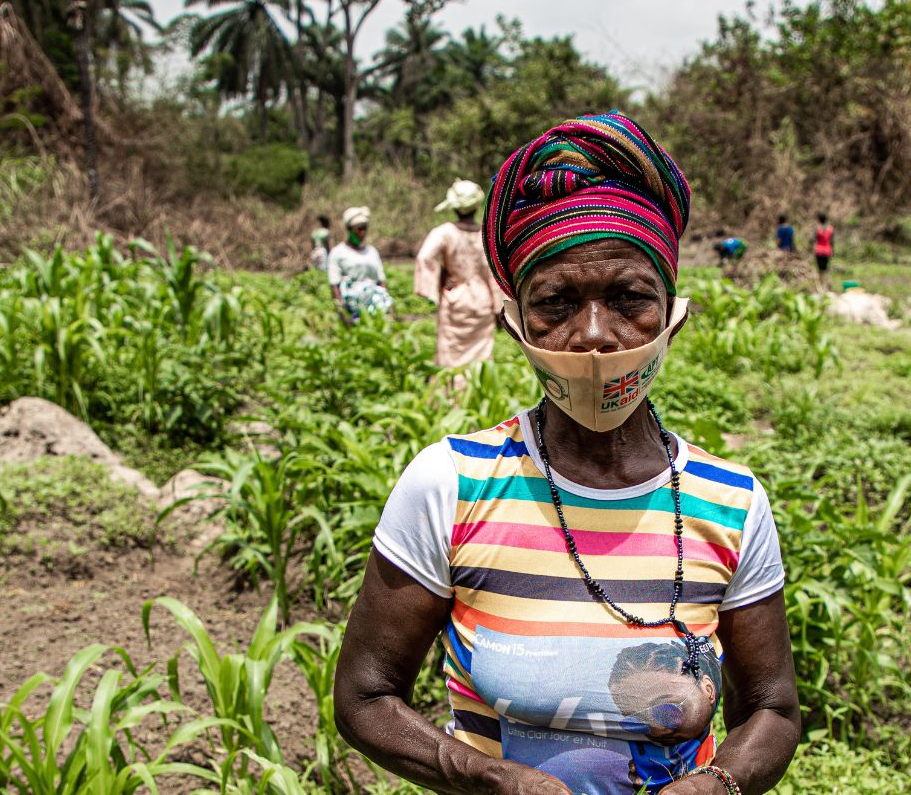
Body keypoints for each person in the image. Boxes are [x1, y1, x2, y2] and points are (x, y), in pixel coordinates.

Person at [335, 112, 799, 795]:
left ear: (674, 312)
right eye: (555, 301)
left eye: (628, 298)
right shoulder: (452, 484)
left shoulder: (731, 504)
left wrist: (721, 783)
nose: (592, 337)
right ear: (515, 322)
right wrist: (487, 776)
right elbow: (365, 697)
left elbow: (773, 708)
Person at [415, 179, 504, 368]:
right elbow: (494, 274)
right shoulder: (486, 234)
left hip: (456, 300)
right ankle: (475, 394)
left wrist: (438, 280)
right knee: (480, 358)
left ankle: (451, 395)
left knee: (450, 357)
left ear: (454, 208)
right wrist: (499, 309)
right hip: (483, 302)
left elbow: (425, 257)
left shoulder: (445, 232)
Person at [327, 206, 393, 322]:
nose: (363, 232)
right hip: (352, 306)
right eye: (359, 228)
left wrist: (389, 308)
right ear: (350, 230)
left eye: (365, 228)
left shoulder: (372, 252)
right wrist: (342, 313)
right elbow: (334, 285)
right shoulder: (338, 253)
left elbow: (380, 282)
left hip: (375, 305)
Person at [813, 212, 834, 289]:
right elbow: (832, 241)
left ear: (819, 220)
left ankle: (821, 286)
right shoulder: (830, 229)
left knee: (820, 269)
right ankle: (827, 284)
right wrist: (833, 250)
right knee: (826, 268)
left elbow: (815, 240)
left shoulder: (818, 229)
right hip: (827, 250)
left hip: (819, 250)